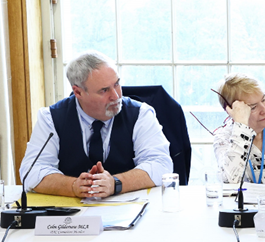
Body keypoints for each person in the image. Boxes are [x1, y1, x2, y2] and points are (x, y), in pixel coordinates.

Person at [19, 51, 173, 198]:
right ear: (78, 92)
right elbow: (31, 172)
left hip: (131, 209)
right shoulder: (51, 118)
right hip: (72, 216)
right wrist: (73, 186)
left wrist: (115, 183)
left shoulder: (140, 114)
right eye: (104, 90)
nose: (116, 95)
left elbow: (161, 165)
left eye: (117, 84)